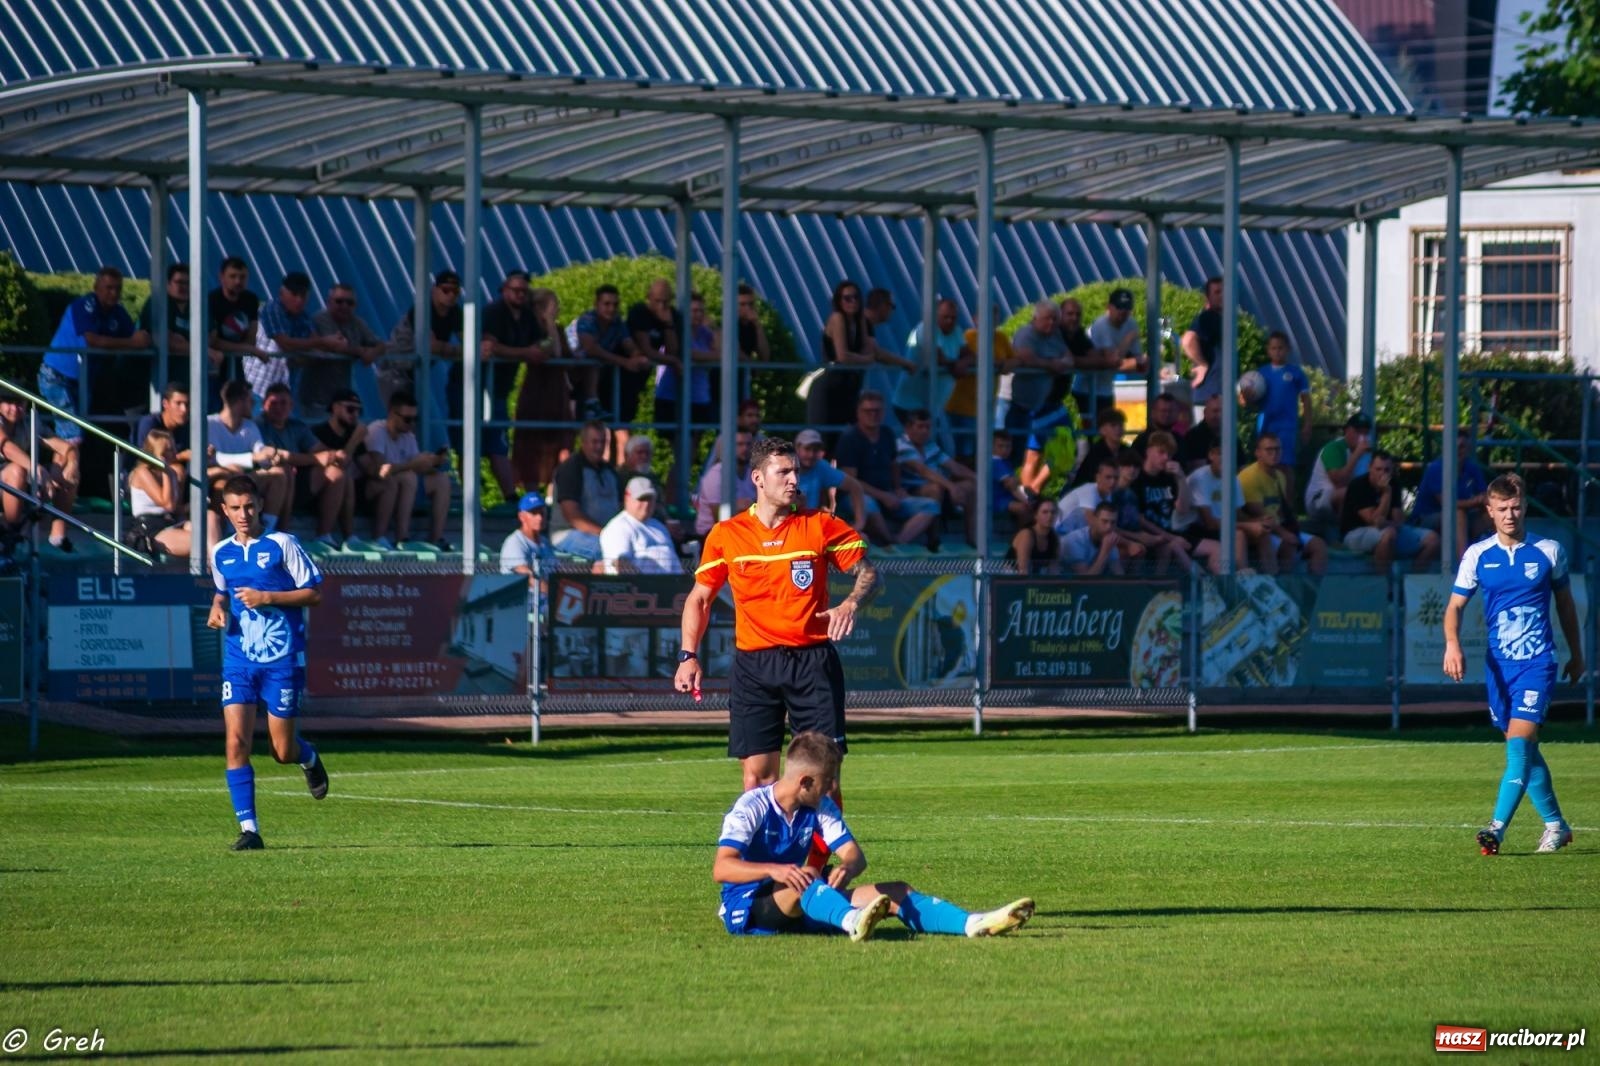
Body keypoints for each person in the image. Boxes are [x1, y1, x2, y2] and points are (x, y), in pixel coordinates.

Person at [677, 437, 877, 797]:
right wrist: (688, 656)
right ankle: (766, 853)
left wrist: (850, 604)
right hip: (754, 665)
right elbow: (699, 599)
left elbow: (869, 574)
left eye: (795, 471)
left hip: (812, 662)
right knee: (757, 780)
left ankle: (818, 856)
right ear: (757, 478)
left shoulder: (821, 525)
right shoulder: (727, 534)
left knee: (823, 780)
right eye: (782, 471)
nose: (792, 480)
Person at [713, 731, 1034, 940]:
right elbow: (722, 868)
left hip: (805, 891)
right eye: (827, 782)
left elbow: (854, 854)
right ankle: (853, 921)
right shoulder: (751, 806)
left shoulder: (819, 805)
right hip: (748, 904)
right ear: (805, 781)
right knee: (810, 878)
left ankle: (972, 924)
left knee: (896, 891)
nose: (832, 789)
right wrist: (774, 869)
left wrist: (847, 868)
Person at [1442, 474, 1583, 856]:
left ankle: (1496, 828)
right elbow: (1454, 606)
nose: (1510, 514)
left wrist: (1577, 652)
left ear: (1525, 507)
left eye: (1516, 507)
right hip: (1499, 668)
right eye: (1502, 508)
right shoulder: (1477, 555)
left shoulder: (1548, 551)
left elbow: (1567, 606)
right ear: (1489, 511)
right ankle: (1556, 825)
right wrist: (1452, 644)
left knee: (1519, 746)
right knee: (1525, 750)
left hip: (1538, 663)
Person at [206, 474, 329, 851]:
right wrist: (216, 607)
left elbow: (315, 594)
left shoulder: (282, 544)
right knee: (235, 742)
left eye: (249, 506)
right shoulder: (220, 552)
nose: (243, 514)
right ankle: (250, 830)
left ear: (259, 506)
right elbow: (221, 593)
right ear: (224, 511)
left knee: (282, 751)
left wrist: (268, 597)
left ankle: (307, 757)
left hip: (282, 661)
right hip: (239, 659)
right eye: (235, 508)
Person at [37, 266, 146, 550]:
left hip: (82, 385)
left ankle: (53, 511)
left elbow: (137, 340)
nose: (113, 294)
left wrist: (137, 341)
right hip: (57, 378)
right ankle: (54, 517)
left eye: (117, 289)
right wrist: (130, 343)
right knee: (71, 442)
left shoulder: (117, 314)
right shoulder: (83, 305)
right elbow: (92, 340)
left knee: (72, 443)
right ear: (97, 287)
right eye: (108, 288)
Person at [834, 390, 940, 549]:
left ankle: (899, 541)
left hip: (887, 493)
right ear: (858, 413)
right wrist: (883, 496)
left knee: (930, 505)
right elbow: (851, 482)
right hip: (856, 495)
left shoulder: (887, 434)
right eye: (868, 411)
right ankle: (887, 540)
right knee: (867, 504)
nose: (873, 415)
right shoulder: (849, 438)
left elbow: (894, 464)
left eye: (877, 411)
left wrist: (897, 488)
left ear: (883, 413)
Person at [478, 271, 544, 501]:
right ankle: (479, 497)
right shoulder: (493, 313)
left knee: (498, 440)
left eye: (524, 291)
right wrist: (526, 353)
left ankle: (509, 495)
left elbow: (542, 340)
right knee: (473, 441)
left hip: (500, 390)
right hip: (478, 386)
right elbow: (491, 346)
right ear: (504, 289)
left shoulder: (527, 316)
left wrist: (541, 345)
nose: (519, 295)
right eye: (515, 290)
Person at [359, 390, 451, 551]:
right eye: (408, 419)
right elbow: (381, 470)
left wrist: (432, 462)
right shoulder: (376, 431)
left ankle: (436, 539)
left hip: (403, 487)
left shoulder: (408, 435)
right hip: (375, 488)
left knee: (441, 480)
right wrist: (412, 465)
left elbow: (416, 467)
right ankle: (401, 536)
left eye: (415, 419)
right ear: (392, 414)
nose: (412, 424)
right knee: (407, 477)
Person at [257, 383, 347, 546]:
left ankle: (324, 535)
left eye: (283, 403)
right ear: (264, 405)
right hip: (267, 486)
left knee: (336, 473)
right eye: (273, 403)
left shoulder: (297, 426)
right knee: (284, 470)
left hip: (298, 485)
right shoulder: (258, 425)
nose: (279, 408)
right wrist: (315, 459)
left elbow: (321, 451)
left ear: (291, 406)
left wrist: (333, 455)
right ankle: (276, 532)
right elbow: (278, 456)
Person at [385, 269, 462, 452]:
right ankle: (390, 464)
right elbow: (430, 346)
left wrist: (448, 349)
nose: (450, 295)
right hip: (395, 371)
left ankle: (413, 467)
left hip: (416, 374)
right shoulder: (422, 309)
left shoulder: (455, 312)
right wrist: (454, 350)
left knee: (415, 422)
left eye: (455, 292)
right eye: (446, 290)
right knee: (400, 420)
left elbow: (472, 344)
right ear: (434, 289)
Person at [510, 286, 575, 492]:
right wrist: (548, 325)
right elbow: (551, 351)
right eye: (553, 307)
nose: (556, 312)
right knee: (531, 446)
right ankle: (531, 493)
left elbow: (565, 355)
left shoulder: (560, 330)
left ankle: (554, 494)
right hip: (537, 392)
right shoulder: (533, 331)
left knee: (562, 444)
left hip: (558, 393)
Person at [1239, 432, 1327, 575]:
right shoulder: (1249, 477)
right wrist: (1285, 534)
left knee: (1319, 546)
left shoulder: (1280, 475)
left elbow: (1281, 511)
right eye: (1269, 450)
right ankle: (1284, 588)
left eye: (1277, 449)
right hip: (1260, 530)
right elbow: (1260, 514)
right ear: (1258, 453)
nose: (1274, 454)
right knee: (1289, 545)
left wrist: (1291, 529)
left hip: (1279, 526)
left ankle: (1313, 593)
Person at [812, 280, 891, 433]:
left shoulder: (860, 320)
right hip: (832, 386)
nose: (852, 302)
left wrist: (864, 357)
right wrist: (866, 360)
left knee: (851, 433)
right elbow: (843, 356)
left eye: (856, 297)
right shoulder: (837, 318)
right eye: (847, 298)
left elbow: (869, 349)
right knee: (828, 437)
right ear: (839, 301)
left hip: (850, 387)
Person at [1339, 451, 1439, 571]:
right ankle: (1384, 585)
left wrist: (1385, 522)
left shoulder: (1394, 484)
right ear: (1369, 468)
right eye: (1378, 469)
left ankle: (1412, 583)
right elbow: (1373, 520)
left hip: (1390, 529)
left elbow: (1398, 520)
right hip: (1355, 533)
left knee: (1432, 539)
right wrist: (1386, 493)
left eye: (1387, 470)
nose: (1382, 474)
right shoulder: (1358, 485)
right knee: (1388, 535)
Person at [207, 379, 291, 523]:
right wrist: (253, 458)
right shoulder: (209, 423)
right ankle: (226, 531)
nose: (254, 404)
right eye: (250, 400)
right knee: (224, 482)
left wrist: (270, 457)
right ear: (240, 401)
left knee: (279, 473)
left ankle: (267, 531)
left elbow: (260, 453)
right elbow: (214, 458)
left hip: (243, 476)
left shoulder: (250, 425)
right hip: (218, 478)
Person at [0, 396, 79, 548]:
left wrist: (72, 465)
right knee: (17, 471)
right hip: (9, 478)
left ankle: (58, 534)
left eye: (19, 403)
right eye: (9, 403)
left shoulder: (29, 422)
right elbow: (6, 448)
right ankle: (10, 533)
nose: (15, 409)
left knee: (64, 462)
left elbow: (66, 447)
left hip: (18, 482)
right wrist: (37, 469)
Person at [127, 428, 214, 557]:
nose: (174, 453)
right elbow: (167, 504)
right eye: (168, 450)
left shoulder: (172, 471)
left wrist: (196, 504)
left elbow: (176, 509)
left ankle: (218, 565)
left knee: (210, 516)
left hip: (171, 522)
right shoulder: (142, 472)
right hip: (151, 528)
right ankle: (217, 568)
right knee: (201, 543)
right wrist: (166, 471)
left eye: (173, 447)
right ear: (156, 453)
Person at [306, 282, 385, 424]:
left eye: (349, 303)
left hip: (342, 396)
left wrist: (372, 353)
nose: (344, 306)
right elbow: (335, 346)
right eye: (339, 301)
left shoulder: (357, 323)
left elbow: (381, 344)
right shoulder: (320, 319)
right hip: (317, 397)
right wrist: (360, 351)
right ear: (329, 302)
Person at [897, 408, 977, 545]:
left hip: (942, 486)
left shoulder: (930, 445)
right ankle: (933, 540)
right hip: (912, 491)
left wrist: (980, 479)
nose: (924, 431)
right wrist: (951, 486)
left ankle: (973, 540)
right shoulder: (901, 446)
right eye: (920, 427)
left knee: (971, 486)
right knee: (935, 488)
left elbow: (955, 467)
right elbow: (923, 471)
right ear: (908, 428)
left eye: (927, 427)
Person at [573, 284, 651, 424]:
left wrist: (638, 357)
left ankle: (594, 405)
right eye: (607, 304)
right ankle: (592, 404)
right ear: (596, 305)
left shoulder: (617, 323)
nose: (611, 309)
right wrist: (626, 362)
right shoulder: (587, 320)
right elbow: (591, 348)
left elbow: (628, 344)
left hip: (593, 379)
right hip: (569, 375)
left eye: (615, 304)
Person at [1005, 300, 1074, 456]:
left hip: (1043, 404)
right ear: (1036, 318)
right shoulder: (1026, 333)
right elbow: (1026, 357)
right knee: (1014, 451)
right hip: (1018, 405)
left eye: (1055, 319)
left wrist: (1059, 364)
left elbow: (1068, 358)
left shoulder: (1056, 335)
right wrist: (1052, 365)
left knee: (1064, 446)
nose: (1051, 322)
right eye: (1047, 318)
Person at [1413, 430, 1492, 562]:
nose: (1459, 451)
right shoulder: (1436, 468)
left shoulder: (1471, 467)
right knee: (1457, 513)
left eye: (1463, 447)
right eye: (1455, 447)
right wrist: (1476, 501)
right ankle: (1464, 565)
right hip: (1426, 519)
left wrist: (1486, 501)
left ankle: (1503, 559)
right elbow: (1447, 503)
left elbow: (1484, 494)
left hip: (1461, 518)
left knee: (1495, 512)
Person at [549, 420, 622, 561]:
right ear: (583, 442)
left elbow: (622, 507)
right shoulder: (571, 469)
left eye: (603, 442)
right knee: (610, 550)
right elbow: (573, 516)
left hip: (606, 534)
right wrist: (605, 534)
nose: (599, 447)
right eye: (594, 442)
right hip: (568, 534)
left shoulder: (610, 471)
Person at [1251, 331, 1312, 500]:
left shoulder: (1295, 373)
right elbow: (1249, 399)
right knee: (1263, 464)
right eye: (1273, 348)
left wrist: (1307, 424)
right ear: (1268, 350)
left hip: (1287, 426)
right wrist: (1246, 396)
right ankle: (1265, 502)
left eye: (1280, 348)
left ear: (1287, 350)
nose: (1277, 351)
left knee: (1284, 465)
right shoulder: (1260, 374)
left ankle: (1287, 505)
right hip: (1266, 424)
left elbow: (1306, 399)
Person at [252, 271, 327, 405]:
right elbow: (285, 343)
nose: (298, 300)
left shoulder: (303, 317)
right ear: (282, 293)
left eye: (303, 296)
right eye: (294, 294)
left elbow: (316, 345)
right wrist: (322, 342)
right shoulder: (272, 309)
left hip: (284, 387)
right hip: (258, 387)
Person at [138, 262, 209, 394]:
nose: (184, 287)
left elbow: (209, 337)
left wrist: (182, 342)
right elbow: (164, 339)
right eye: (179, 282)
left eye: (187, 283)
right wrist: (202, 350)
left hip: (187, 378)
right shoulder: (158, 302)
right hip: (153, 380)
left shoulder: (196, 307)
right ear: (168, 283)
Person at [1078, 288, 1146, 423]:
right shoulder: (1101, 325)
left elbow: (1141, 361)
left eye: (1127, 308)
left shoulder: (1131, 324)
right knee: (1092, 431)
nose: (1123, 312)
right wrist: (1128, 339)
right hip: (1086, 388)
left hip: (1106, 388)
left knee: (1106, 428)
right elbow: (1113, 361)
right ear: (1109, 307)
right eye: (1119, 307)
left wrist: (1134, 362)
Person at [309, 388, 367, 545]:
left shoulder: (353, 433)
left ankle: (351, 537)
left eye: (358, 411)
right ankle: (324, 534)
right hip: (318, 491)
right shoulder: (318, 432)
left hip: (348, 492)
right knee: (340, 474)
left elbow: (371, 469)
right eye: (350, 409)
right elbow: (340, 462)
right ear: (335, 408)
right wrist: (354, 441)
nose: (355, 415)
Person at [1186, 441, 1255, 568]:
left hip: (1223, 527)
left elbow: (1238, 513)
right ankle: (1242, 579)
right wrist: (1248, 526)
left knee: (1263, 534)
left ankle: (1273, 581)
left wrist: (1259, 522)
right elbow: (1210, 523)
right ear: (1211, 455)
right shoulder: (1200, 478)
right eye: (1221, 454)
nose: (1225, 458)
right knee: (1239, 534)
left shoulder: (1233, 479)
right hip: (1197, 530)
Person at [655, 291, 718, 429]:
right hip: (672, 395)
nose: (699, 315)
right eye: (694, 311)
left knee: (694, 442)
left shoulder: (704, 332)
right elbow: (686, 353)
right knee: (678, 439)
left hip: (699, 396)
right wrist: (710, 356)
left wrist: (712, 328)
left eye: (701, 311)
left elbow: (720, 350)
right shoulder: (676, 331)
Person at [601, 477, 682, 574]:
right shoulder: (618, 528)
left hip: (673, 586)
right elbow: (619, 565)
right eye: (641, 499)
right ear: (627, 497)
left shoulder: (660, 527)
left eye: (650, 499)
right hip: (641, 587)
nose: (646, 504)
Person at [209, 256, 263, 396]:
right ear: (222, 277)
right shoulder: (211, 300)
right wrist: (248, 348)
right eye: (232, 276)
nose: (238, 281)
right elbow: (212, 341)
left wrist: (247, 348)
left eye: (242, 277)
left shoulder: (250, 300)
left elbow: (251, 338)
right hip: (212, 365)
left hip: (237, 364)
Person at [1304, 413, 1371, 523]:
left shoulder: (1366, 454)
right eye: (1358, 432)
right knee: (1347, 492)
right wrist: (1356, 455)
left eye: (1365, 432)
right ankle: (1342, 533)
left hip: (1343, 499)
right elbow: (1340, 482)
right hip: (1319, 499)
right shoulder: (1334, 448)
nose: (1362, 437)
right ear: (1347, 431)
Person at [696, 430, 757, 537]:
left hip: (746, 530)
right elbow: (720, 517)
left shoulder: (754, 472)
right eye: (739, 444)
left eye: (748, 444)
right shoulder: (715, 475)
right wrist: (741, 506)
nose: (745, 448)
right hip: (713, 534)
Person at [795, 428, 866, 519]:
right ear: (797, 448)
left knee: (860, 533)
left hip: (813, 522)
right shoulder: (785, 469)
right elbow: (785, 507)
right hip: (788, 523)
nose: (811, 455)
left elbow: (855, 487)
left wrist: (859, 523)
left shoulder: (821, 466)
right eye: (807, 449)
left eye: (815, 450)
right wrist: (795, 508)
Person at [1181, 275, 1225, 411]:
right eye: (1217, 292)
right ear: (1207, 298)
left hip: (1212, 395)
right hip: (1210, 397)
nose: (1222, 296)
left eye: (1224, 291)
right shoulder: (1209, 317)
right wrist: (1202, 364)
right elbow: (1188, 339)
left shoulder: (1219, 319)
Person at [500, 490, 557, 578]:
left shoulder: (545, 542)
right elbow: (528, 580)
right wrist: (555, 591)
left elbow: (556, 574)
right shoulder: (515, 543)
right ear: (521, 516)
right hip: (524, 592)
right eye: (534, 513)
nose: (540, 517)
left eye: (542, 512)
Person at [134, 382, 192, 467]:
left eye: (187, 404)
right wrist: (181, 456)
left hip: (174, 474)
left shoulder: (188, 426)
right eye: (178, 403)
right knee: (178, 470)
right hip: (142, 474)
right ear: (165, 404)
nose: (184, 409)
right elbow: (146, 459)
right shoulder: (149, 423)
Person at [1056, 457, 1117, 536]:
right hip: (1059, 532)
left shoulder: (1108, 495)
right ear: (1098, 477)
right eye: (1108, 477)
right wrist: (1128, 543)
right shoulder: (1089, 491)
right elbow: (1095, 527)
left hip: (1075, 535)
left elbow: (1108, 526)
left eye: (1116, 478)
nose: (1112, 482)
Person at [1070, 406, 1128, 488]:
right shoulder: (1095, 453)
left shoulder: (1126, 450)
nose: (1118, 429)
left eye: (1121, 425)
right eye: (1113, 425)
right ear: (1102, 430)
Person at [1062, 502, 1124, 576]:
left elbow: (1119, 575)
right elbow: (1086, 581)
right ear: (1094, 520)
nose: (1109, 527)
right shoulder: (1075, 540)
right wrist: (1104, 551)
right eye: (1104, 521)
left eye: (1113, 522)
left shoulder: (1108, 540)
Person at [1006, 498, 1060, 574]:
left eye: (1053, 512)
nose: (1050, 516)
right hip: (1008, 580)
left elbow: (1054, 568)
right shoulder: (1027, 535)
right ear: (1036, 515)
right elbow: (1023, 570)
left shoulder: (1054, 537)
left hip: (1035, 579)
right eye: (1045, 512)